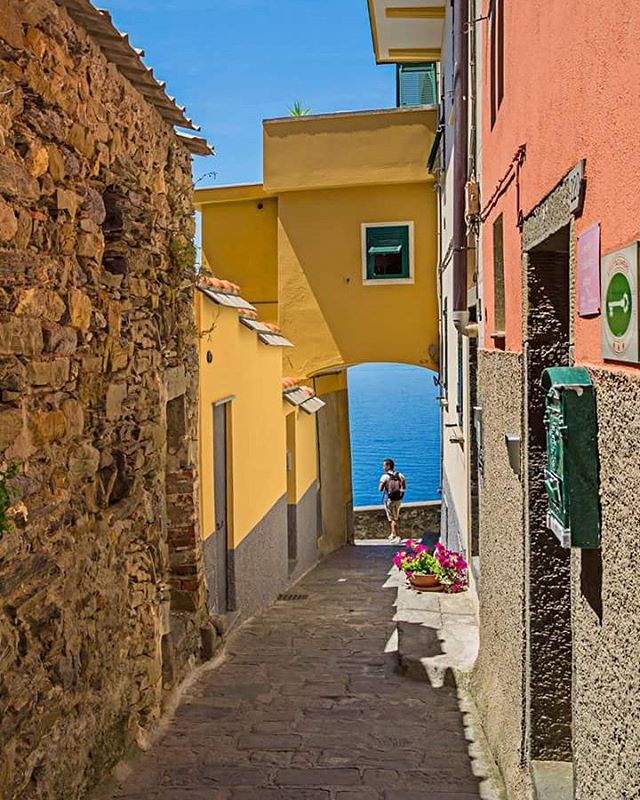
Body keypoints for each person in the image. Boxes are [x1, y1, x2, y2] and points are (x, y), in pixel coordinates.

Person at [379, 458, 406, 543]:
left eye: (384, 465)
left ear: (388, 466)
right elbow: (404, 487)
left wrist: (386, 487)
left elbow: (380, 489)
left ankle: (397, 537)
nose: (383, 467)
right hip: (398, 500)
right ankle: (393, 534)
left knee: (392, 518)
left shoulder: (385, 476)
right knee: (395, 517)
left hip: (390, 500)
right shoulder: (400, 475)